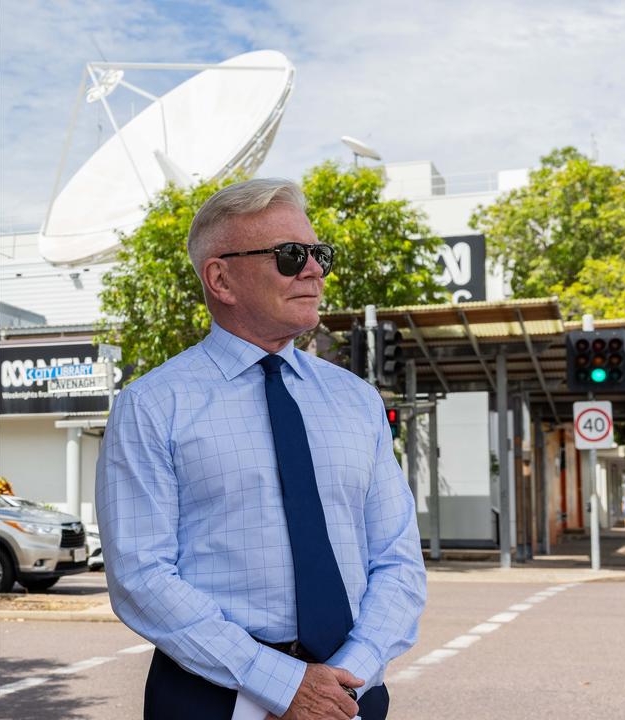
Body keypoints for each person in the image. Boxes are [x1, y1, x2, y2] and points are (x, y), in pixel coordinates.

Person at [96, 178, 426, 720]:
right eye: (291, 256)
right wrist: (282, 684)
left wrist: (350, 675)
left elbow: (397, 558)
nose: (314, 270)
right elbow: (141, 576)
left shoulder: (357, 401)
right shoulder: (152, 405)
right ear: (220, 279)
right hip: (210, 698)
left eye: (319, 254)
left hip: (352, 695)